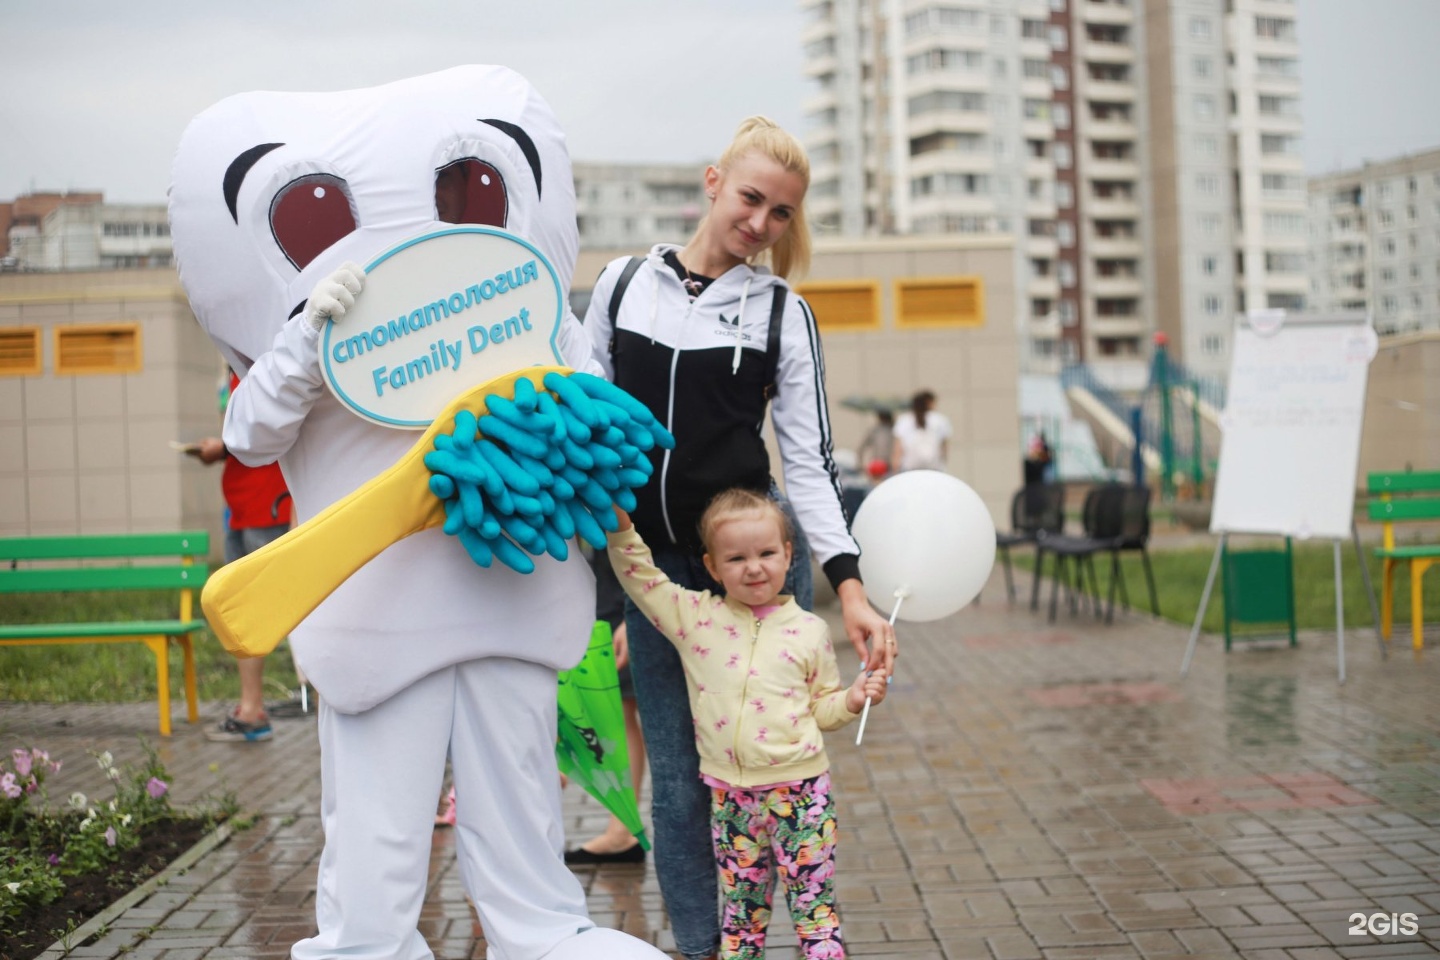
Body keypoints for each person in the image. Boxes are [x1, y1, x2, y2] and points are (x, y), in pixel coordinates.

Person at [171, 66, 666, 960]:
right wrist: (305, 342)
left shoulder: (527, 306)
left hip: (510, 595)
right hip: (375, 611)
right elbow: (248, 436)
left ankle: (545, 940)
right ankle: (367, 948)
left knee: (521, 818)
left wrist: (562, 357)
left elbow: (598, 429)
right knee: (375, 832)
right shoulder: (315, 332)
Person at [583, 116, 896, 960]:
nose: (760, 223)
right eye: (752, 198)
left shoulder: (782, 314)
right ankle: (701, 947)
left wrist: (852, 591)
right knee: (682, 783)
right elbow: (583, 426)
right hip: (654, 577)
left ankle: (807, 938)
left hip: (749, 576)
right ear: (714, 181)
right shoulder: (620, 286)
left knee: (776, 775)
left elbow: (810, 461)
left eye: (782, 213)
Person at [607, 490, 887, 960]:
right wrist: (620, 526)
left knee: (815, 915)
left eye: (766, 553)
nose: (754, 567)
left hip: (801, 797)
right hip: (731, 799)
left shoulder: (810, 631)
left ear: (788, 555)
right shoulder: (696, 618)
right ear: (713, 567)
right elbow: (642, 579)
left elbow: (823, 708)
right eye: (736, 558)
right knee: (742, 918)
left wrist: (854, 699)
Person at [189, 369, 292, 743]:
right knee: (244, 609)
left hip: (269, 506)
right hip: (242, 504)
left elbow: (270, 426)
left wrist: (225, 447)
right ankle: (252, 708)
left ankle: (254, 709)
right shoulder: (236, 362)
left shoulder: (264, 358)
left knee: (265, 609)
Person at [563, 546, 648, 863]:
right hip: (609, 585)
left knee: (631, 708)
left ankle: (623, 830)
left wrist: (636, 608)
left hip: (633, 586)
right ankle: (622, 829)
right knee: (620, 707)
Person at [891, 389, 951, 472]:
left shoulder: (904, 420)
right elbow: (944, 448)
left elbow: (898, 448)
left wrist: (895, 466)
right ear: (929, 402)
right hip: (934, 467)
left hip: (909, 467)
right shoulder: (940, 419)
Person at [856, 409, 895, 479]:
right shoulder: (875, 430)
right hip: (878, 464)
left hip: (888, 465)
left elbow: (861, 448)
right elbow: (861, 448)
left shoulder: (894, 430)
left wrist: (860, 464)